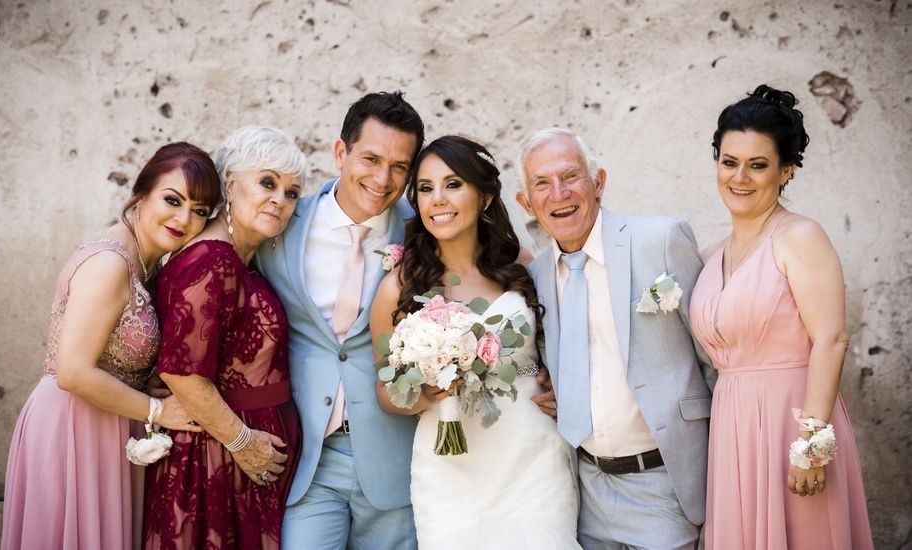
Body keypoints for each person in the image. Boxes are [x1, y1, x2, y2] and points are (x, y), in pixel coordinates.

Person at [1, 142, 221, 550]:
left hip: (111, 424)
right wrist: (159, 411)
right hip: (73, 427)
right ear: (141, 194)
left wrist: (148, 380)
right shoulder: (110, 264)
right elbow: (73, 371)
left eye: (200, 211)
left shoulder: (149, 262)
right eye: (172, 200)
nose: (183, 218)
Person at [370, 135, 581, 549]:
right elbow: (384, 390)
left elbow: (560, 346)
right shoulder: (399, 287)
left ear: (484, 197)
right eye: (426, 189)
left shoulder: (519, 265)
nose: (437, 200)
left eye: (452, 185)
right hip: (449, 469)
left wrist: (560, 384)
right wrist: (428, 391)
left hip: (532, 457)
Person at [688, 84, 873, 548]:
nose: (740, 177)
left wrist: (811, 445)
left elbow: (832, 338)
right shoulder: (710, 257)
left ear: (786, 171)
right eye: (729, 162)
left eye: (758, 165)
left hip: (793, 423)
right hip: (732, 427)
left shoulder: (800, 237)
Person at [516, 128, 716, 549]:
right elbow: (538, 359)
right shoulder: (534, 280)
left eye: (571, 175)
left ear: (598, 182)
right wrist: (541, 382)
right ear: (526, 203)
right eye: (541, 183)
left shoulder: (659, 241)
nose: (559, 193)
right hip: (586, 490)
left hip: (666, 483)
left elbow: (713, 359)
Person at [253, 92, 424, 550]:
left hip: (394, 457)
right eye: (370, 158)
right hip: (307, 457)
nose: (383, 178)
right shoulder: (284, 224)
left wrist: (531, 365)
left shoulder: (425, 231)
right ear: (340, 153)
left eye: (400, 167)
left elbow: (501, 266)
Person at [142, 126, 306, 549]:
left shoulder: (241, 258)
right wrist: (242, 442)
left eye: (292, 193)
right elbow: (181, 373)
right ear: (230, 182)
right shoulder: (211, 260)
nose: (280, 200)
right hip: (215, 462)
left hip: (246, 462)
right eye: (267, 182)